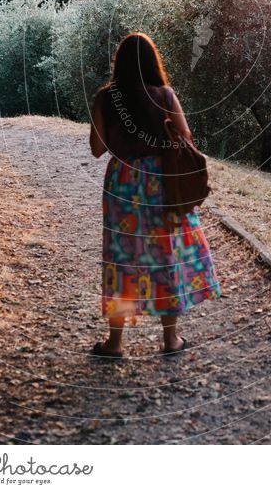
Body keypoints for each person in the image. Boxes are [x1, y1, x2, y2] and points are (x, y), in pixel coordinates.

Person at [89, 31, 220, 358]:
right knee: (166, 256)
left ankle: (115, 344)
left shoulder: (106, 98)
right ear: (152, 61)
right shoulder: (164, 95)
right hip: (160, 183)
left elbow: (96, 149)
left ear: (118, 64)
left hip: (123, 184)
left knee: (121, 259)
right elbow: (185, 136)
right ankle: (170, 340)